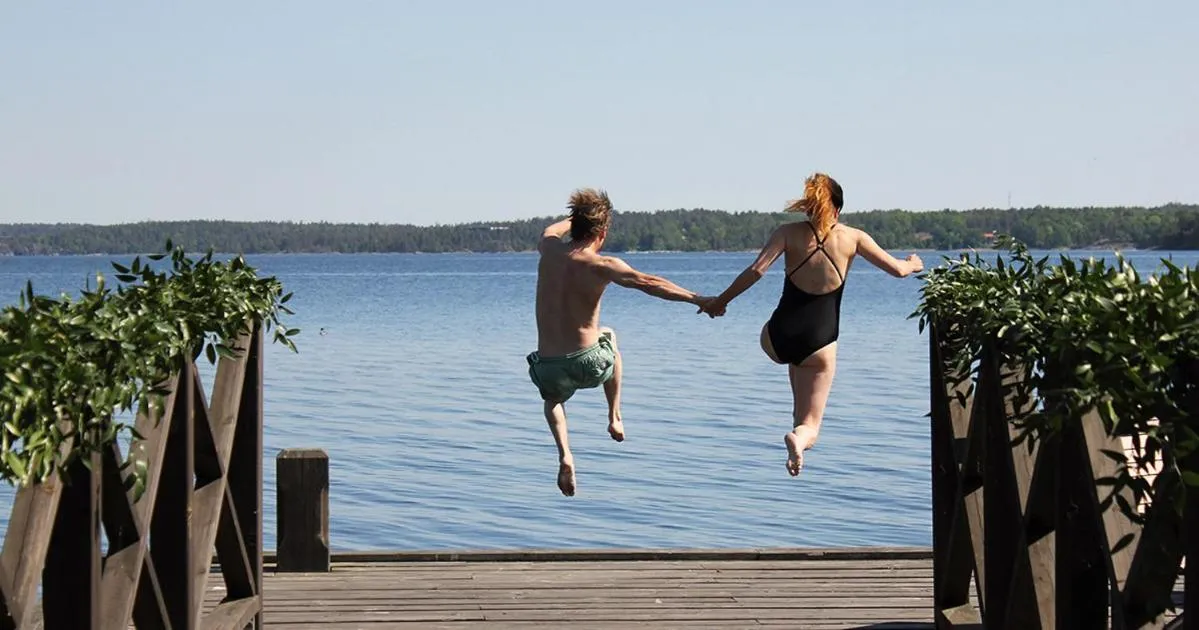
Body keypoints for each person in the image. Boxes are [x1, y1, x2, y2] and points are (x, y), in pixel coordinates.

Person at [700, 173, 924, 476]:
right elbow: (898, 270)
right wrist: (913, 263)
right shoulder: (853, 237)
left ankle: (795, 440)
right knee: (811, 424)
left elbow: (755, 271)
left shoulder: (787, 233)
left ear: (809, 207)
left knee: (796, 370)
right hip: (821, 342)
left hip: (777, 338)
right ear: (838, 209)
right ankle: (799, 438)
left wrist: (720, 301)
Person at [529, 188, 713, 496]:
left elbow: (549, 231)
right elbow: (650, 283)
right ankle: (614, 416)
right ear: (602, 231)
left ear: (575, 225)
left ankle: (565, 454)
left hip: (548, 368)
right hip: (588, 362)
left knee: (553, 401)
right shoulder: (602, 265)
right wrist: (698, 299)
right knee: (610, 336)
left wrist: (575, 219)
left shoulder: (549, 251)